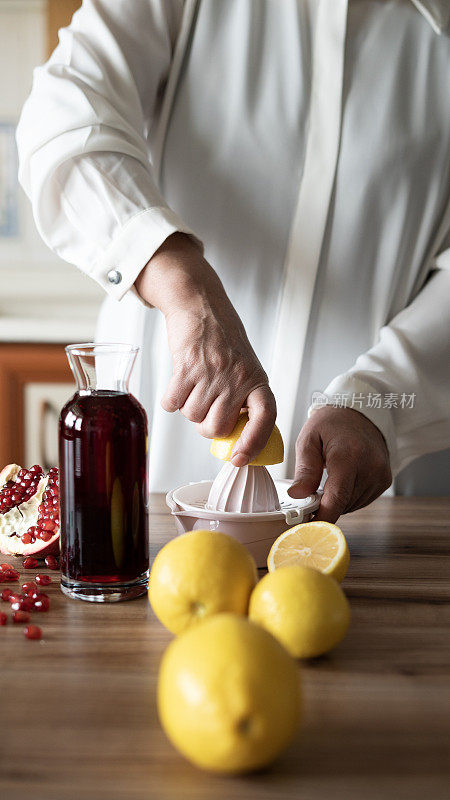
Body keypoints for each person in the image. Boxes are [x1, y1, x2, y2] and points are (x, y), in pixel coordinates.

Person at [17, 0, 450, 521]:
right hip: (157, 481)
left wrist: (382, 403)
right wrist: (182, 284)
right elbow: (65, 113)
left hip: (379, 506)